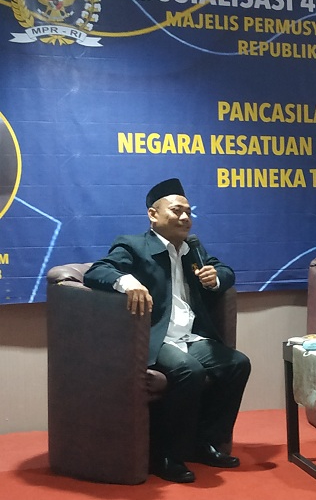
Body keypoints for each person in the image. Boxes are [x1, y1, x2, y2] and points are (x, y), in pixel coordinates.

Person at [84, 178, 251, 483]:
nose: (185, 217)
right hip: (156, 336)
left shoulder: (193, 249)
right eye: (176, 211)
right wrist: (128, 282)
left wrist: (216, 278)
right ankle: (166, 455)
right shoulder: (134, 245)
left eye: (188, 212)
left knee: (237, 364)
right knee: (189, 371)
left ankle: (205, 442)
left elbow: (226, 271)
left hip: (190, 335)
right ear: (153, 214)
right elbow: (98, 272)